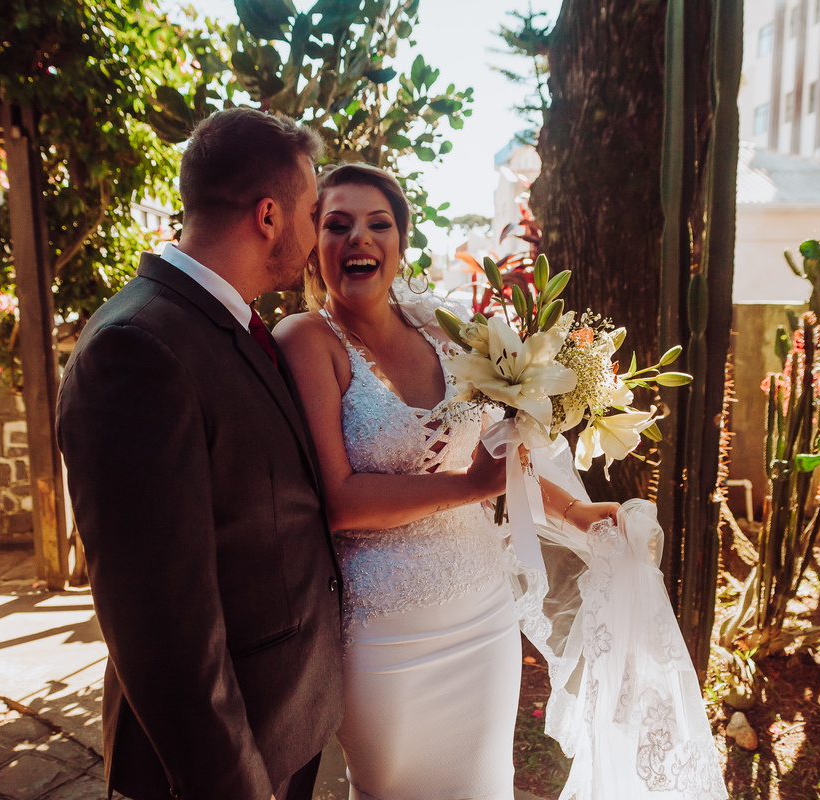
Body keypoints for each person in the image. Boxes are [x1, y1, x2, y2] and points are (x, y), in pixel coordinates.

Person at [274, 162, 727, 799]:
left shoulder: (444, 328)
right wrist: (468, 488)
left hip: (483, 616)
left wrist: (573, 512)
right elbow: (340, 500)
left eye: (378, 224)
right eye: (337, 224)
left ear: (401, 242)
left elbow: (501, 454)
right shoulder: (305, 340)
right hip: (383, 633)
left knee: (485, 785)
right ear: (313, 244)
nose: (359, 238)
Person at [56, 108, 343, 800]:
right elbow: (163, 630)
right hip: (224, 765)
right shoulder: (138, 349)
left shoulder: (230, 322)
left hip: (282, 727)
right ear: (269, 216)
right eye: (312, 213)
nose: (315, 236)